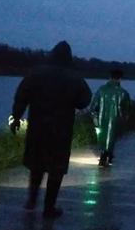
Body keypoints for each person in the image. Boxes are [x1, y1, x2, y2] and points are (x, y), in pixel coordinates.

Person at [10, 41, 92, 219]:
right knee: (56, 168)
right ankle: (49, 207)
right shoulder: (74, 77)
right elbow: (84, 100)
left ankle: (32, 199)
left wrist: (16, 117)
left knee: (36, 165)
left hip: (38, 127)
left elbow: (21, 96)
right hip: (61, 130)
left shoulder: (35, 73)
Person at [90, 69, 130, 167]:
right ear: (120, 79)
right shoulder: (123, 93)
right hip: (116, 119)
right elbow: (127, 108)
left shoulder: (101, 90)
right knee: (112, 138)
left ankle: (104, 155)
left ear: (110, 77)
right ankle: (107, 156)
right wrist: (124, 119)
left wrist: (95, 119)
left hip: (100, 119)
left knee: (102, 137)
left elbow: (93, 107)